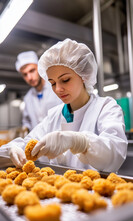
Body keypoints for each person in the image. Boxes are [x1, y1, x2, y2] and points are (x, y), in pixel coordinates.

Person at [0, 38, 127, 172]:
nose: (57, 89)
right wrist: (12, 148)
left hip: (99, 190)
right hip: (58, 191)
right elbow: (29, 142)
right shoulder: (54, 115)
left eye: (65, 80)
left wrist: (80, 142)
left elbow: (115, 154)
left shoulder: (106, 107)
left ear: (83, 75)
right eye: (53, 83)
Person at [15, 51, 61, 131]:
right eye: (25, 74)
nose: (29, 77)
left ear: (40, 67)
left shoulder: (57, 88)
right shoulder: (27, 98)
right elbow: (27, 121)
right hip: (37, 142)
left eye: (32, 71)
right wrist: (24, 129)